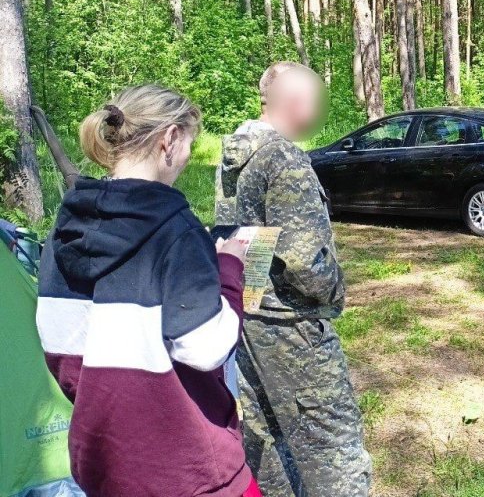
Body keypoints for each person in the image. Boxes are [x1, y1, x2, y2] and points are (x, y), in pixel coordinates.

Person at [36, 85, 262, 497]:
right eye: (190, 143)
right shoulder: (177, 229)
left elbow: (59, 347)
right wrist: (229, 267)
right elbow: (206, 347)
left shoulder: (64, 229)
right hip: (189, 469)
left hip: (105, 463)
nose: (189, 155)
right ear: (170, 139)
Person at [216, 62, 372, 497]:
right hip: (293, 328)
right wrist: (335, 291)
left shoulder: (235, 152)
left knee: (268, 439)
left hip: (246, 317)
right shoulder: (284, 158)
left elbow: (246, 237)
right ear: (299, 103)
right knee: (333, 448)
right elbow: (305, 263)